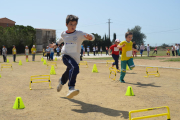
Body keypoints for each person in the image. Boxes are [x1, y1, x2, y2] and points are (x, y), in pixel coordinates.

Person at [55, 15, 95, 99]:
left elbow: (91, 37)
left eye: (74, 24)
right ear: (66, 24)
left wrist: (90, 37)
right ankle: (71, 88)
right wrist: (55, 44)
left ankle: (61, 81)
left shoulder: (79, 34)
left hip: (75, 58)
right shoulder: (63, 33)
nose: (73, 26)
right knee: (75, 68)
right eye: (71, 24)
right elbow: (61, 39)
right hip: (66, 55)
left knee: (69, 71)